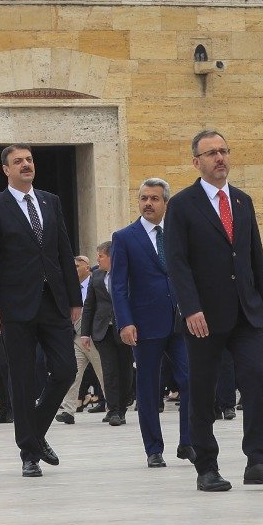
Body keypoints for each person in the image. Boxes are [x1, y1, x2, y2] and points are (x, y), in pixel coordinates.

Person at [165, 130, 263, 493]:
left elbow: (254, 256)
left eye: (223, 151)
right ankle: (206, 465)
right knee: (203, 390)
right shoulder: (183, 205)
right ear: (196, 162)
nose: (219, 158)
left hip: (246, 313)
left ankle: (258, 461)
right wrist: (190, 308)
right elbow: (177, 262)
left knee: (254, 380)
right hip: (203, 316)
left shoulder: (242, 201)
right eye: (211, 153)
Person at [0, 143, 82, 478]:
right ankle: (29, 453)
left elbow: (63, 251)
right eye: (18, 161)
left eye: (29, 160)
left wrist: (75, 299)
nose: (26, 165)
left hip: (53, 301)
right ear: (5, 169)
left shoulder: (50, 202)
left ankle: (35, 431)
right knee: (21, 380)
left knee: (66, 369)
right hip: (15, 306)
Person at [110, 177, 193, 468]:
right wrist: (124, 322)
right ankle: (154, 449)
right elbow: (117, 286)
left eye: (154, 198)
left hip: (181, 322)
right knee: (147, 387)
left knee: (190, 381)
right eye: (144, 198)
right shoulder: (124, 237)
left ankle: (188, 443)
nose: (148, 203)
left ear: (165, 203)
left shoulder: (178, 233)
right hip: (144, 324)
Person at [80, 241, 131, 427]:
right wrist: (85, 333)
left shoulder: (127, 274)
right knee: (109, 370)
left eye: (100, 256)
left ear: (111, 256)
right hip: (102, 331)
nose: (97, 259)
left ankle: (122, 407)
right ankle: (114, 409)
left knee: (125, 369)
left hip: (124, 329)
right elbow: (89, 306)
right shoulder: (96, 277)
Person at [60, 255, 106, 424]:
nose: (74, 269)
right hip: (76, 336)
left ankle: (114, 407)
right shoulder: (70, 287)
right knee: (73, 373)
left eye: (77, 266)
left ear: (87, 267)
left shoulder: (97, 282)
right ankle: (69, 410)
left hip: (94, 335)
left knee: (103, 373)